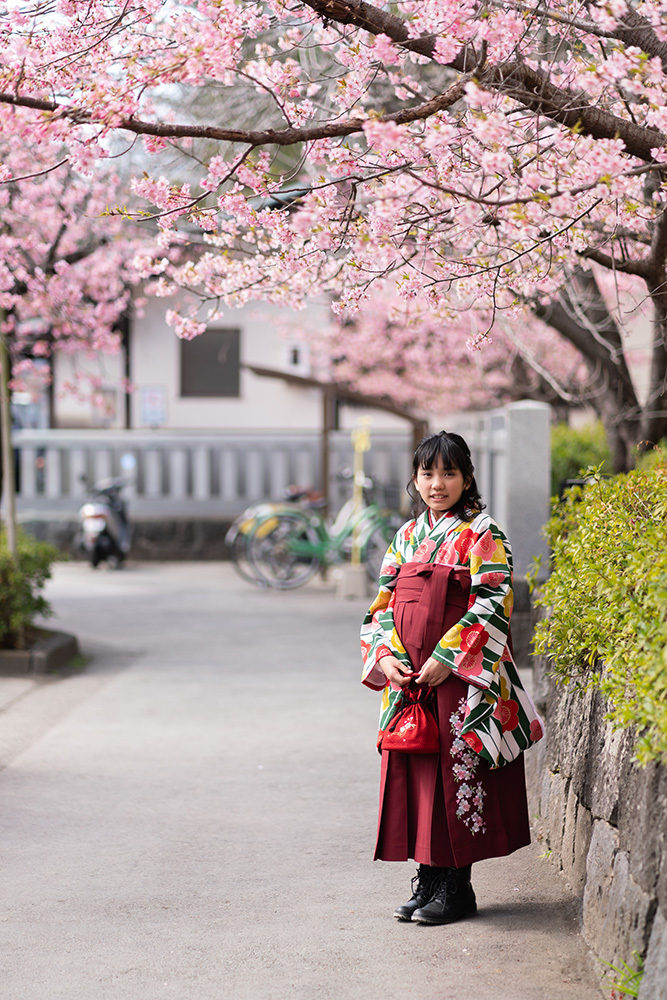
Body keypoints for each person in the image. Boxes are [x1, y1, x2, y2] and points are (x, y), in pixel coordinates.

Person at [361, 430, 543, 926]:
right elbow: (381, 606)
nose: (437, 483)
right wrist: (387, 658)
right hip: (411, 682)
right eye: (427, 473)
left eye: (449, 473)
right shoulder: (405, 537)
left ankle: (457, 887)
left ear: (466, 478)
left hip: (462, 680)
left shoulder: (484, 533)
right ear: (415, 479)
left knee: (455, 776)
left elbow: (494, 601)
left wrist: (448, 655)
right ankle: (428, 880)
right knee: (418, 776)